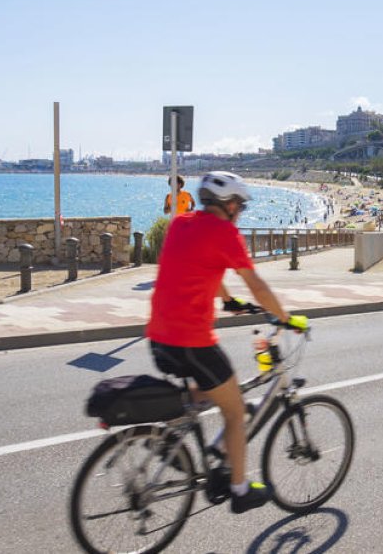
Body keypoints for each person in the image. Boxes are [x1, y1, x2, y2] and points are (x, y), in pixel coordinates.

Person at [146, 171, 308, 514]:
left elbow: (199, 268)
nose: (240, 212)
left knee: (218, 394)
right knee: (235, 412)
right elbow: (258, 286)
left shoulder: (181, 223)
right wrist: (284, 317)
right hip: (191, 340)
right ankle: (239, 489)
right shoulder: (226, 233)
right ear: (231, 205)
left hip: (159, 336)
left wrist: (229, 301)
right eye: (240, 206)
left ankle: (175, 437)